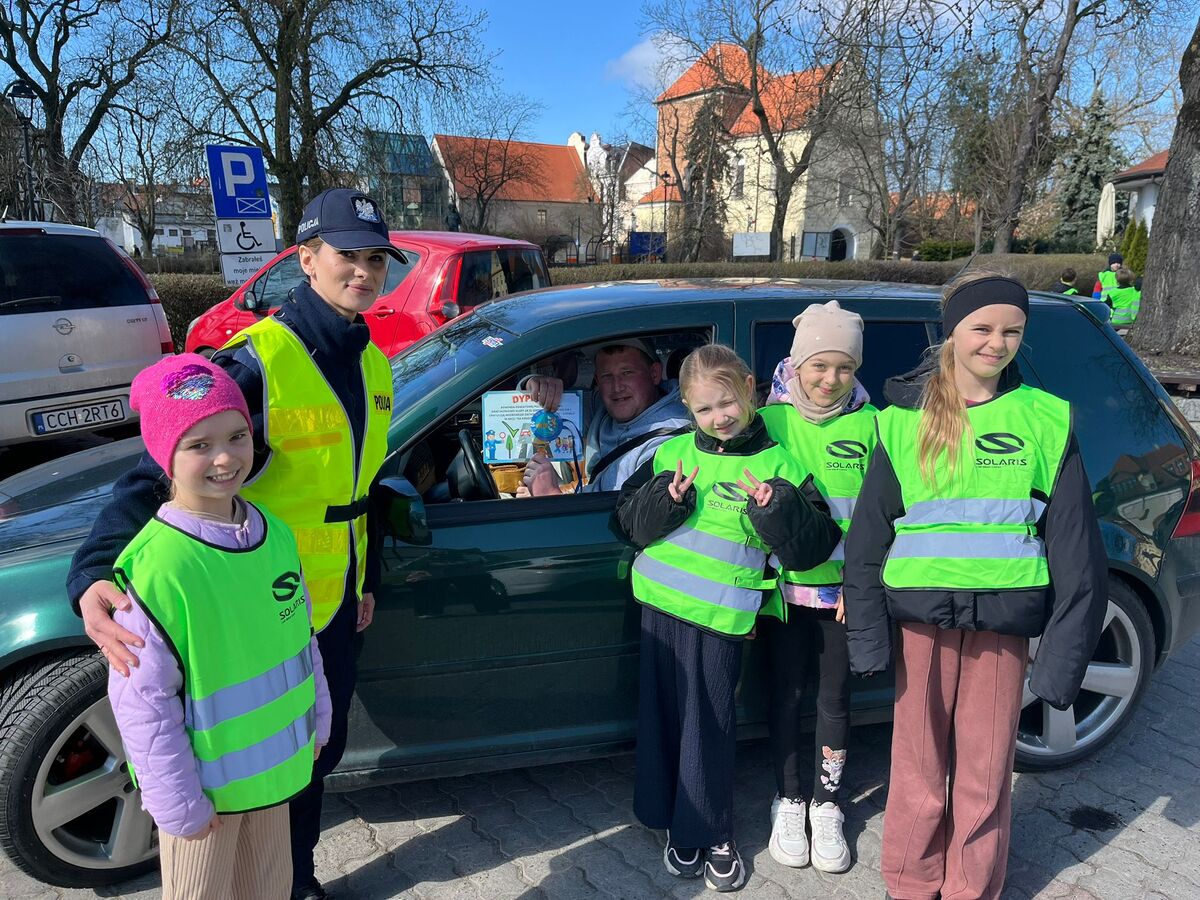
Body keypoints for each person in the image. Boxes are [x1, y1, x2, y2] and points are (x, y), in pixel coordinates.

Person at [67, 188, 400, 900]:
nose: (364, 272)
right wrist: (94, 569)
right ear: (306, 258)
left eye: (377, 259)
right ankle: (287, 883)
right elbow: (160, 471)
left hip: (330, 597)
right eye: (348, 255)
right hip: (255, 605)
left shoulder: (372, 360)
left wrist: (365, 578)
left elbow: (359, 486)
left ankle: (290, 875)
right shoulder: (259, 360)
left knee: (317, 747)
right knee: (271, 758)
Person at [843, 273, 1107, 900]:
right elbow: (866, 540)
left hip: (1002, 627)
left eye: (1012, 331)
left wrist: (1062, 661)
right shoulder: (901, 422)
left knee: (985, 771)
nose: (996, 342)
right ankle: (911, 882)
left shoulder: (1044, 420)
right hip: (921, 626)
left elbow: (1077, 548)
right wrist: (868, 638)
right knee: (918, 767)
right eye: (982, 328)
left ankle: (971, 887)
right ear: (952, 333)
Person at [613, 344, 842, 893]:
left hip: (720, 620)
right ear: (687, 409)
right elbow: (627, 523)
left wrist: (776, 510)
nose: (719, 418)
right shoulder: (670, 454)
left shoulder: (780, 464)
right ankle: (672, 822)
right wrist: (666, 500)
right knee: (663, 720)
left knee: (708, 728)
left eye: (727, 403)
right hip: (660, 611)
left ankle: (713, 832)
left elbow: (816, 544)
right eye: (704, 409)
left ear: (748, 389)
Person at [109, 354, 331, 900]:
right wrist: (178, 804)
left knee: (269, 889)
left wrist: (317, 721)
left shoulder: (275, 534)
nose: (226, 457)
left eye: (237, 435)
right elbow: (143, 701)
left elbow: (301, 641)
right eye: (199, 445)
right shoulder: (159, 568)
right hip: (201, 798)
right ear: (165, 456)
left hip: (273, 776)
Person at [756, 301, 876, 874]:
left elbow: (883, 517)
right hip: (780, 596)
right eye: (819, 366)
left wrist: (863, 582)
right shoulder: (767, 422)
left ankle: (827, 803)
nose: (830, 379)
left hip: (840, 598)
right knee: (785, 696)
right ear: (796, 364)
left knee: (834, 701)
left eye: (845, 368)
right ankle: (789, 799)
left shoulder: (873, 425)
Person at [521, 339, 690, 494]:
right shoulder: (603, 405)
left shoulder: (667, 444)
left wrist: (550, 494)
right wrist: (535, 385)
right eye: (607, 376)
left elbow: (619, 513)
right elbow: (533, 413)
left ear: (654, 374)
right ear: (597, 380)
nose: (617, 387)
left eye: (627, 373)